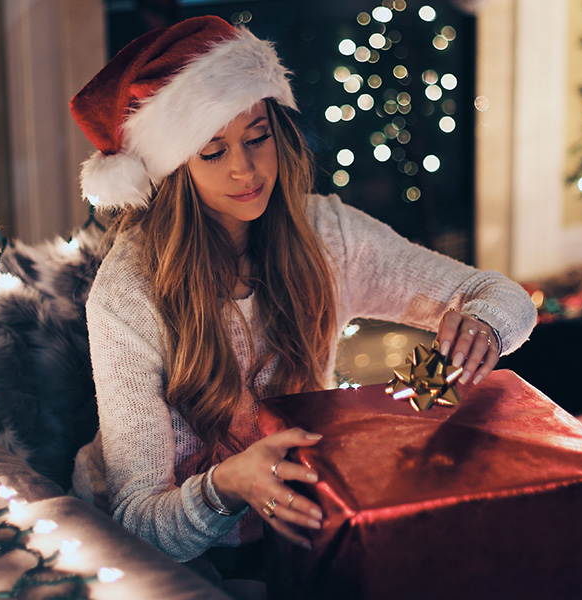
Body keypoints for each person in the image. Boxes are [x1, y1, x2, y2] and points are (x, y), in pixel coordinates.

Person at [69, 14, 536, 594]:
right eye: (212, 152)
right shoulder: (128, 295)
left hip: (301, 521)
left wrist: (485, 325)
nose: (245, 169)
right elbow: (137, 521)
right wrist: (225, 487)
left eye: (257, 136)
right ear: (173, 171)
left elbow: (503, 295)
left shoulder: (326, 234)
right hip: (164, 557)